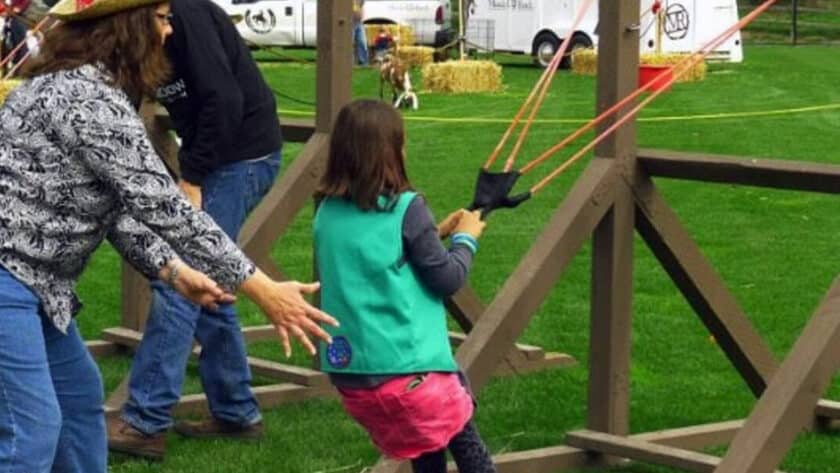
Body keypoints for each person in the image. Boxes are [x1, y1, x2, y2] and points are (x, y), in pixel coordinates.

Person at [0, 0, 336, 471]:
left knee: (78, 403)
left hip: (37, 286)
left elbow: (116, 210)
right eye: (160, 19)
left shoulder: (77, 89)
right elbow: (166, 207)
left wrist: (173, 269)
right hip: (9, 282)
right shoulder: (88, 101)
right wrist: (263, 289)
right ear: (129, 27)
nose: (167, 32)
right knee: (30, 431)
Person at [108, 0, 286, 461]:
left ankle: (145, 421)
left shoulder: (188, 15)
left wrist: (193, 177)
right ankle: (236, 413)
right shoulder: (136, 20)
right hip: (215, 152)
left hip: (242, 154)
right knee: (207, 285)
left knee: (182, 278)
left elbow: (225, 100)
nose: (163, 29)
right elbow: (126, 92)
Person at [314, 100, 496, 473]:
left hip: (355, 379)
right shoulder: (407, 209)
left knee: (426, 449)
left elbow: (374, 256)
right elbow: (447, 278)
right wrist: (465, 240)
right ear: (390, 154)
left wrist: (435, 233)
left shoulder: (325, 213)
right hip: (412, 375)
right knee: (468, 448)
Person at [352, 0, 368, 65]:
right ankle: (349, 63)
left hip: (359, 22)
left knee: (362, 42)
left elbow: (361, 5)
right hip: (350, 22)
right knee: (349, 44)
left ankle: (363, 62)